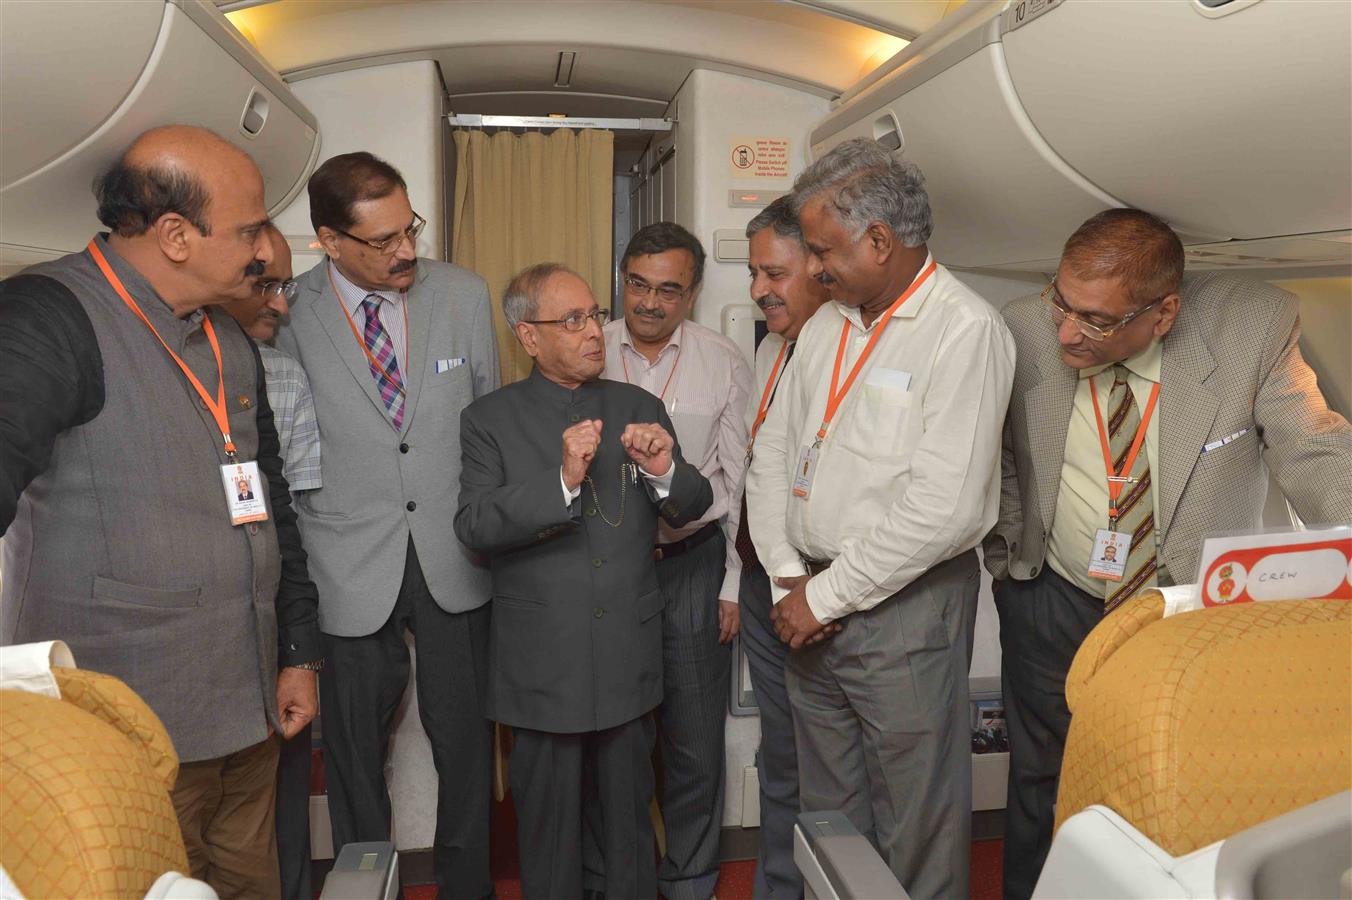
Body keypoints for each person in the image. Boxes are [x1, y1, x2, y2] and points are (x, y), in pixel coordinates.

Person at [983, 207, 1352, 900]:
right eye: (1061, 302)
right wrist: (1007, 561)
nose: (1065, 331)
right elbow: (1002, 455)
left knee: (1181, 773)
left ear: (1163, 313)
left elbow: (1312, 444)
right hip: (1051, 595)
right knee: (1041, 780)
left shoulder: (1253, 328)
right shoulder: (1023, 327)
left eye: (1095, 319)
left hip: (1185, 607)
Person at [0, 125, 322, 900]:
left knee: (251, 883)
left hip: (246, 705)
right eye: (247, 230)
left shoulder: (229, 338)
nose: (260, 252)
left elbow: (270, 502)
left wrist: (298, 650)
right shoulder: (46, 318)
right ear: (176, 234)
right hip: (126, 728)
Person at [745, 137, 1015, 900]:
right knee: (830, 817)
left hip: (903, 609)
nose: (815, 269)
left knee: (915, 821)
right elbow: (772, 454)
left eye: (825, 251)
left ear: (880, 240)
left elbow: (946, 509)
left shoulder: (964, 332)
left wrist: (823, 599)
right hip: (809, 600)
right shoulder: (830, 323)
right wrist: (789, 577)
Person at [273, 151, 499, 897]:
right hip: (345, 559)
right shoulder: (287, 313)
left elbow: (490, 424)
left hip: (454, 556)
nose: (405, 251)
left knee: (465, 743)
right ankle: (367, 886)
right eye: (381, 240)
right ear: (329, 242)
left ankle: (467, 886)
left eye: (410, 230)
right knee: (352, 753)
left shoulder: (462, 295)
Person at [455, 263, 713, 900]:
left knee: (628, 823)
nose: (594, 331)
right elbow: (474, 524)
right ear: (528, 337)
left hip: (627, 653)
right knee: (548, 832)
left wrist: (662, 469)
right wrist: (563, 481)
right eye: (572, 320)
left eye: (595, 314)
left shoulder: (638, 406)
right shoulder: (490, 418)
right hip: (542, 666)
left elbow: (693, 502)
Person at [601, 222, 752, 900]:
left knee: (693, 739)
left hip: (693, 565)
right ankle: (617, 876)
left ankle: (689, 878)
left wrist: (734, 584)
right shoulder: (588, 351)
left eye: (669, 290)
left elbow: (741, 482)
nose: (650, 302)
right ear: (622, 281)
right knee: (612, 739)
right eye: (638, 284)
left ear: (691, 294)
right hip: (606, 571)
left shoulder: (724, 360)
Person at [223, 226, 322, 900]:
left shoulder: (275, 373)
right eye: (268, 286)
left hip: (268, 619)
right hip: (185, 632)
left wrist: (299, 645)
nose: (282, 304)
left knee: (270, 809)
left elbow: (289, 514)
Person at [737, 195, 829, 900]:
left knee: (822, 761)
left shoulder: (842, 347)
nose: (759, 289)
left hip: (815, 587)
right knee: (780, 752)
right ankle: (777, 888)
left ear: (820, 266)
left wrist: (800, 583)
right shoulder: (772, 345)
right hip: (766, 579)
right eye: (753, 274)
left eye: (774, 272)